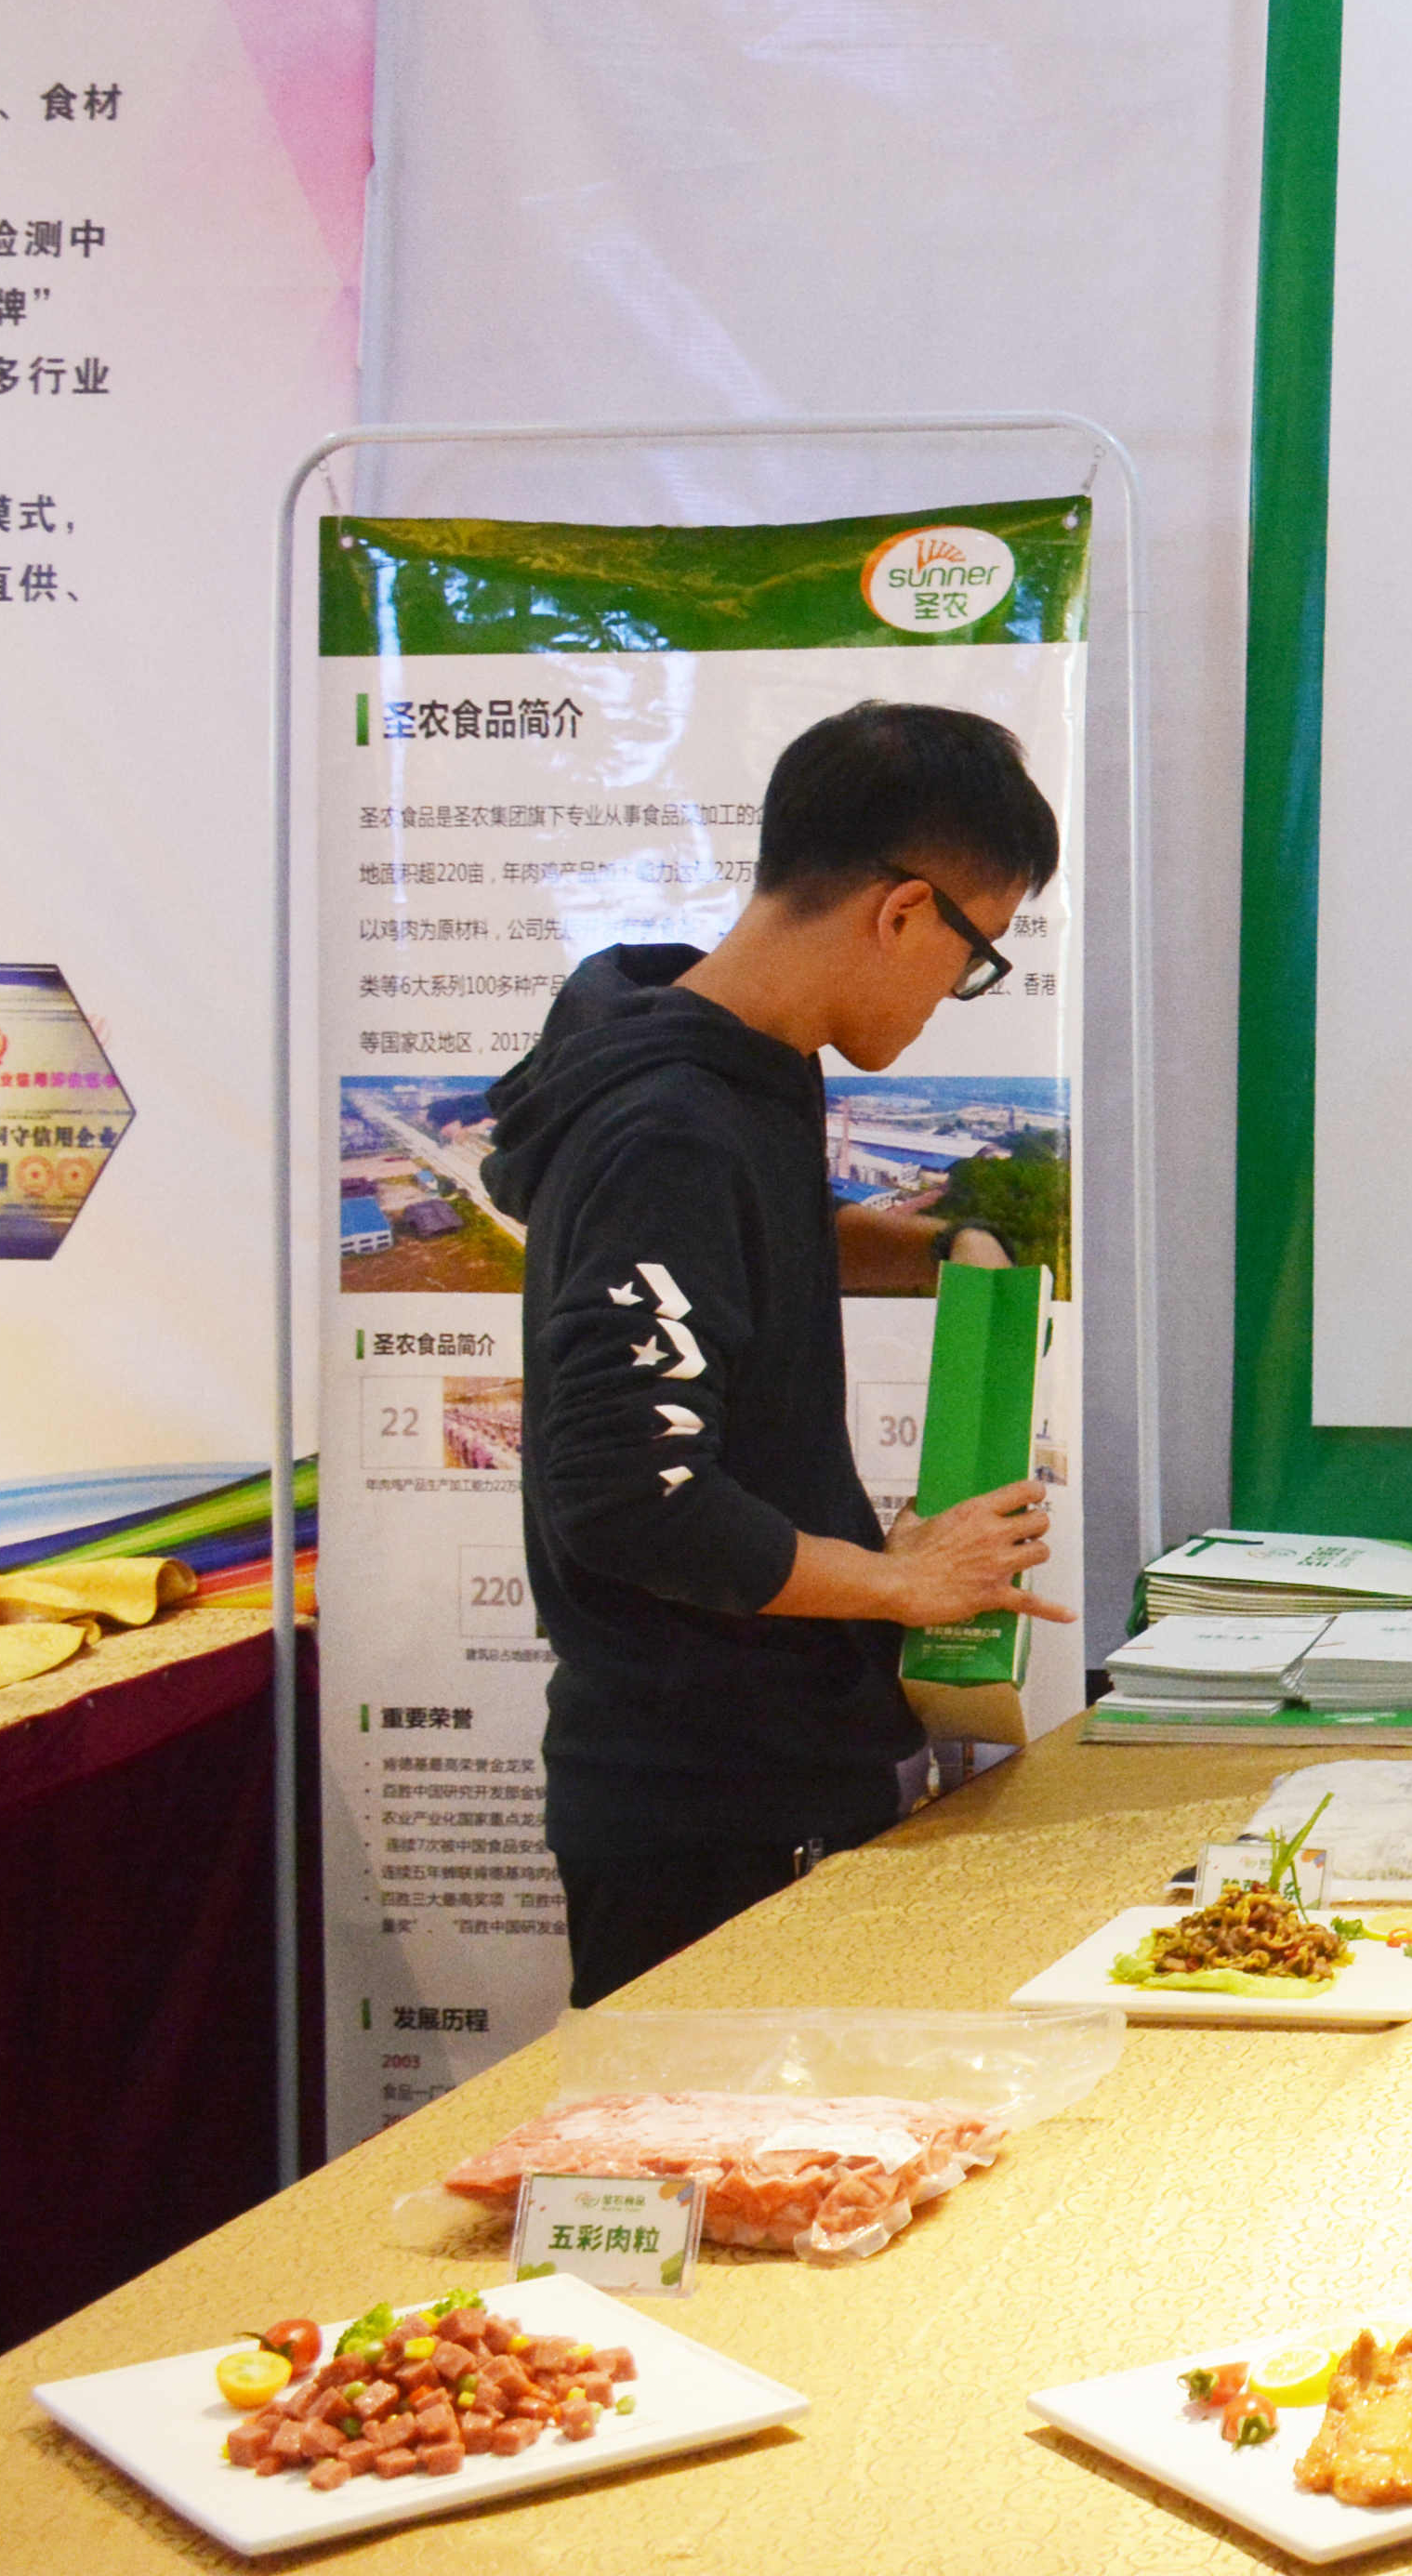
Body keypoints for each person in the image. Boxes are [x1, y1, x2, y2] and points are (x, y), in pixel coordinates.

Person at [494, 701, 1069, 2008]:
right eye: (975, 956)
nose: (954, 995)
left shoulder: (737, 1065)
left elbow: (739, 1243)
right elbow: (627, 1499)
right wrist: (897, 1581)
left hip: (763, 1766)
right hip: (707, 1806)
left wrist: (934, 1246)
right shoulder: (669, 1124)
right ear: (905, 912)